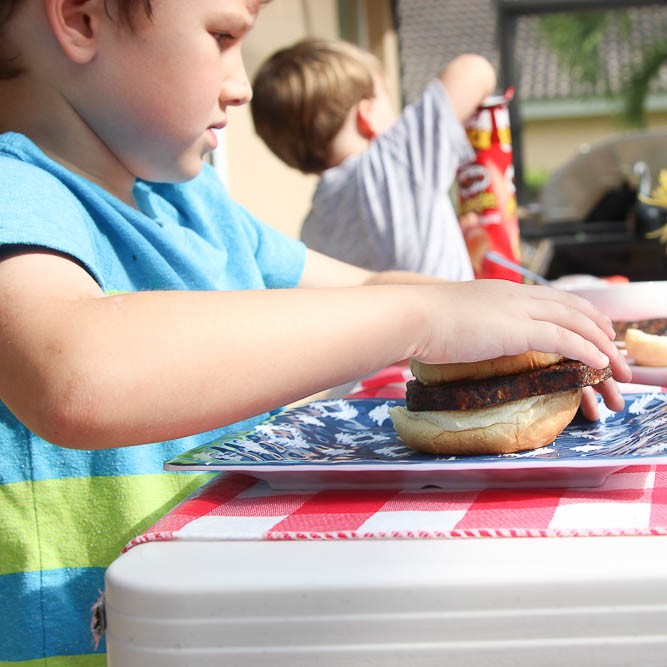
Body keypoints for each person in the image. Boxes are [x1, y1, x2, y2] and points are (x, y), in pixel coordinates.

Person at [0, 0, 629, 664]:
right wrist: (425, 320)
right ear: (79, 20)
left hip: (227, 633)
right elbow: (75, 372)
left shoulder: (193, 207)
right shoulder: (17, 190)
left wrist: (521, 332)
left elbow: (361, 289)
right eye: (219, 37)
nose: (239, 83)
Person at [251, 38, 487, 281]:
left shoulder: (312, 230)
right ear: (368, 115)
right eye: (385, 96)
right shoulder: (392, 161)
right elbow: (474, 69)